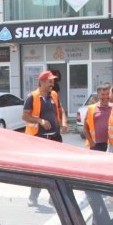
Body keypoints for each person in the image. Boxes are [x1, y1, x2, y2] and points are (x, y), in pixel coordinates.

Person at [22, 70, 68, 206]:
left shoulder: (54, 95)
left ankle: (54, 197)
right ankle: (33, 196)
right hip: (39, 139)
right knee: (40, 170)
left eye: (53, 81)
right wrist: (41, 121)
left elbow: (61, 110)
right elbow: (25, 116)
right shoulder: (33, 97)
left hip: (55, 138)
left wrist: (64, 122)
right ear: (41, 82)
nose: (52, 84)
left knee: (56, 168)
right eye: (49, 81)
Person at [81, 83, 112, 152]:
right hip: (96, 145)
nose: (105, 97)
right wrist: (91, 142)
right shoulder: (91, 109)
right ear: (98, 95)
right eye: (103, 94)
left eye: (107, 94)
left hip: (112, 144)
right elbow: (85, 128)